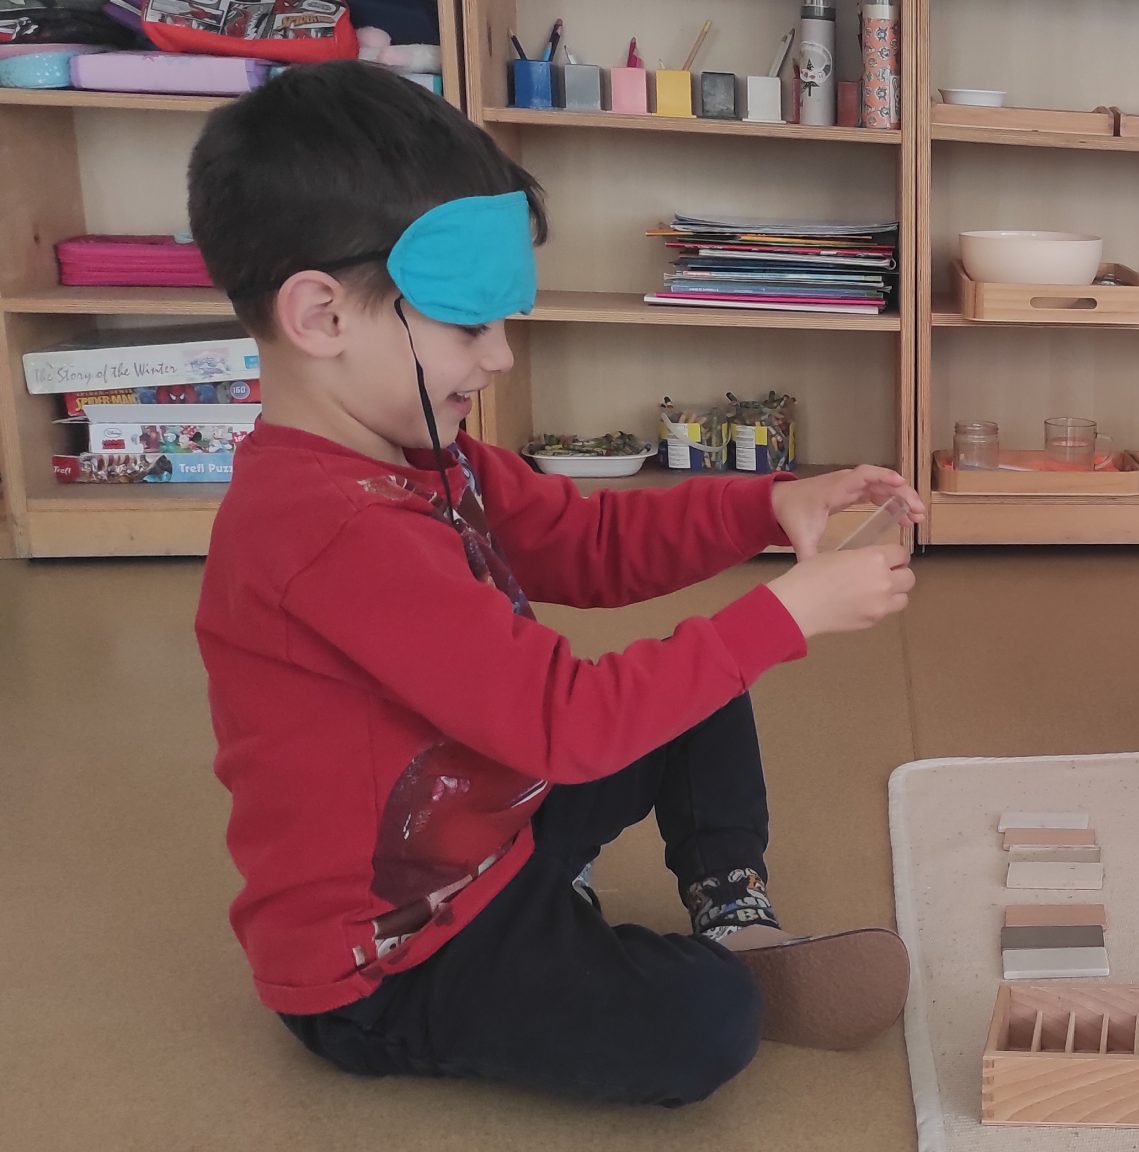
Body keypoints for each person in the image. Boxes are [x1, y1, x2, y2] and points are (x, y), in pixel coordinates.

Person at [189, 60, 916, 1107]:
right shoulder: (326, 528)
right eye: (468, 327)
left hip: (494, 821)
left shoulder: (431, 456)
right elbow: (563, 721)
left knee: (699, 698)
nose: (500, 359)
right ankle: (629, 954)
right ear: (321, 315)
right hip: (396, 957)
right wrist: (786, 614)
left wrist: (768, 507)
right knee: (705, 1022)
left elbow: (590, 541)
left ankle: (727, 908)